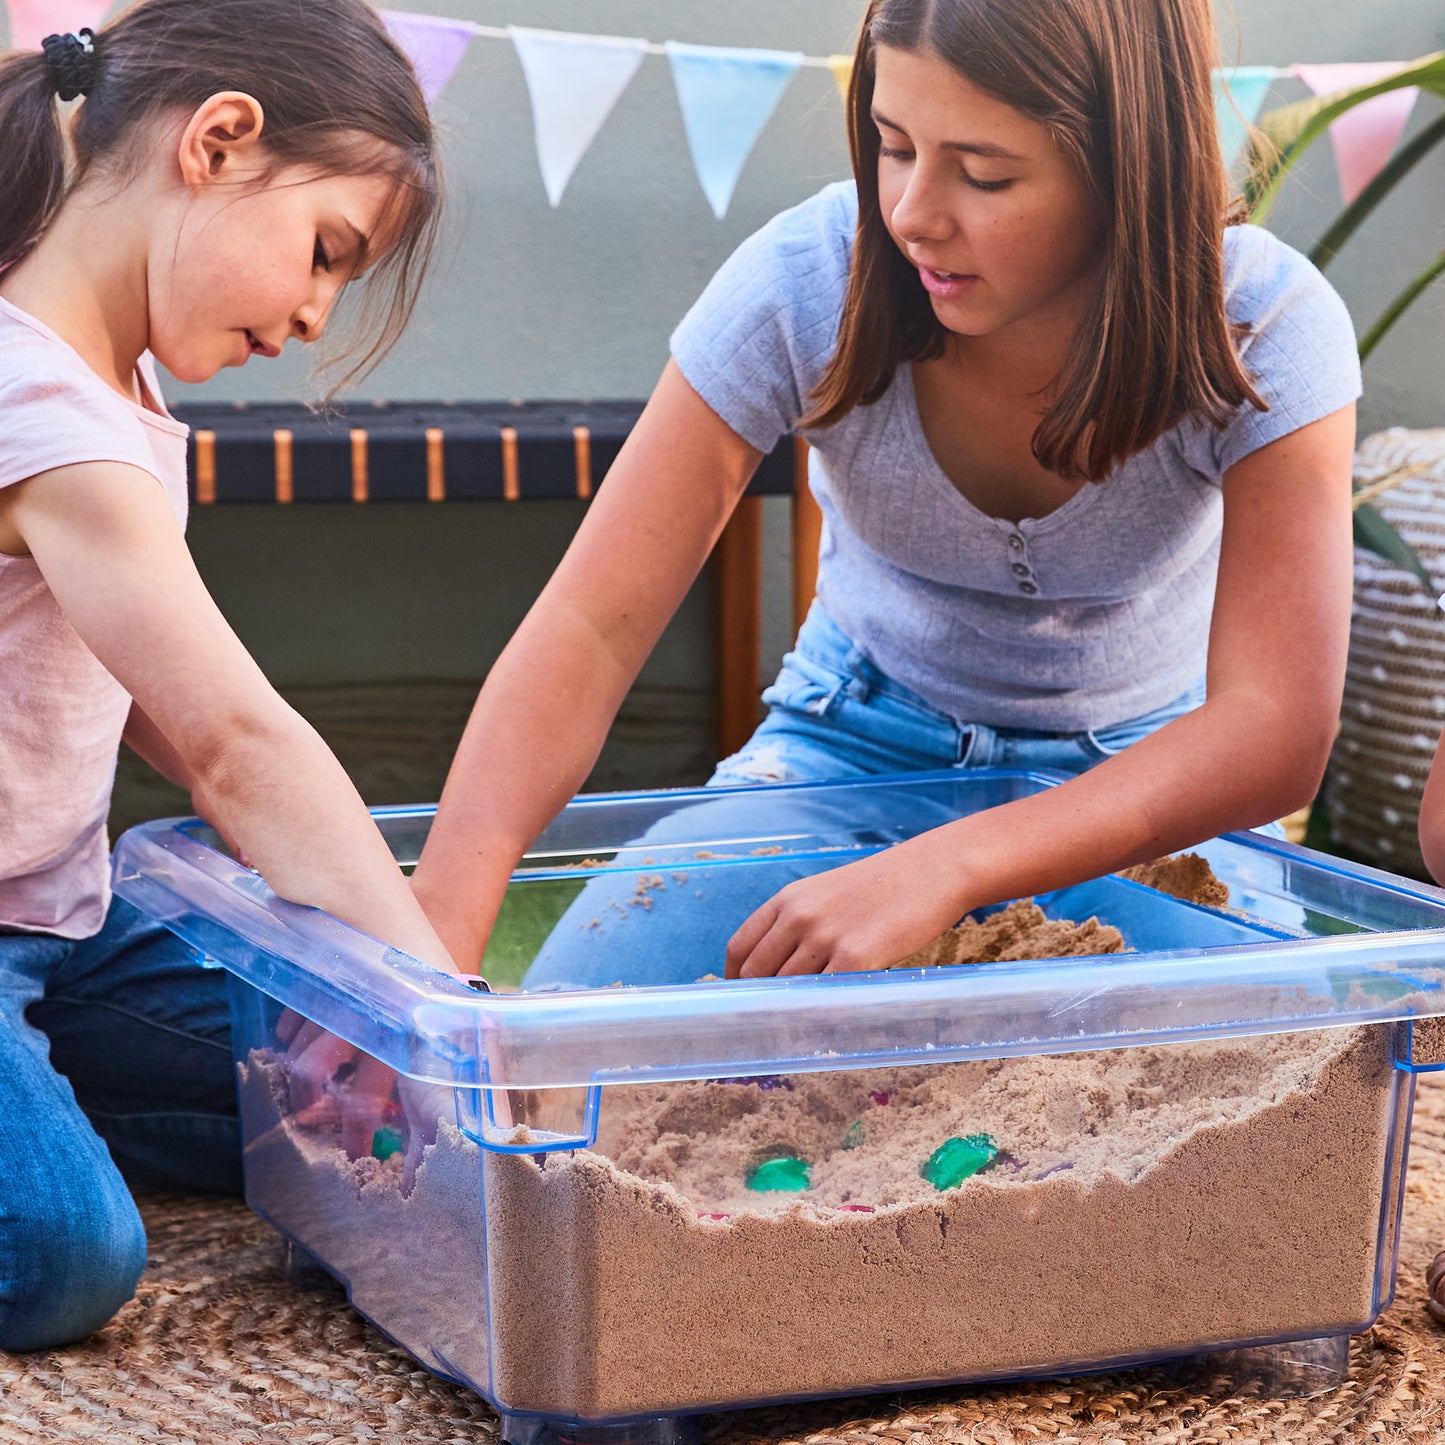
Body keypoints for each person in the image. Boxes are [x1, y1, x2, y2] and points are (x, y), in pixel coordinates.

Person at [412, 0, 1360, 988]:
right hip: (845, 747)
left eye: (983, 172)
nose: (910, 212)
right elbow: (589, 626)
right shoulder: (804, 279)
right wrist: (431, 943)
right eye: (890, 144)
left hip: (1142, 784)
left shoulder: (1265, 327)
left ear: (1124, 168)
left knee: (1283, 1069)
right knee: (585, 1022)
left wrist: (947, 866)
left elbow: (1273, 728)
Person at [0, 0, 454, 1351]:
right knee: (65, 1256)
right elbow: (235, 746)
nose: (318, 314)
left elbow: (146, 712)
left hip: (61, 920)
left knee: (319, 1100)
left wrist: (378, 1034)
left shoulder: (116, 388)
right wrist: (439, 1005)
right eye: (326, 253)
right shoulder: (40, 407)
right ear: (219, 142)